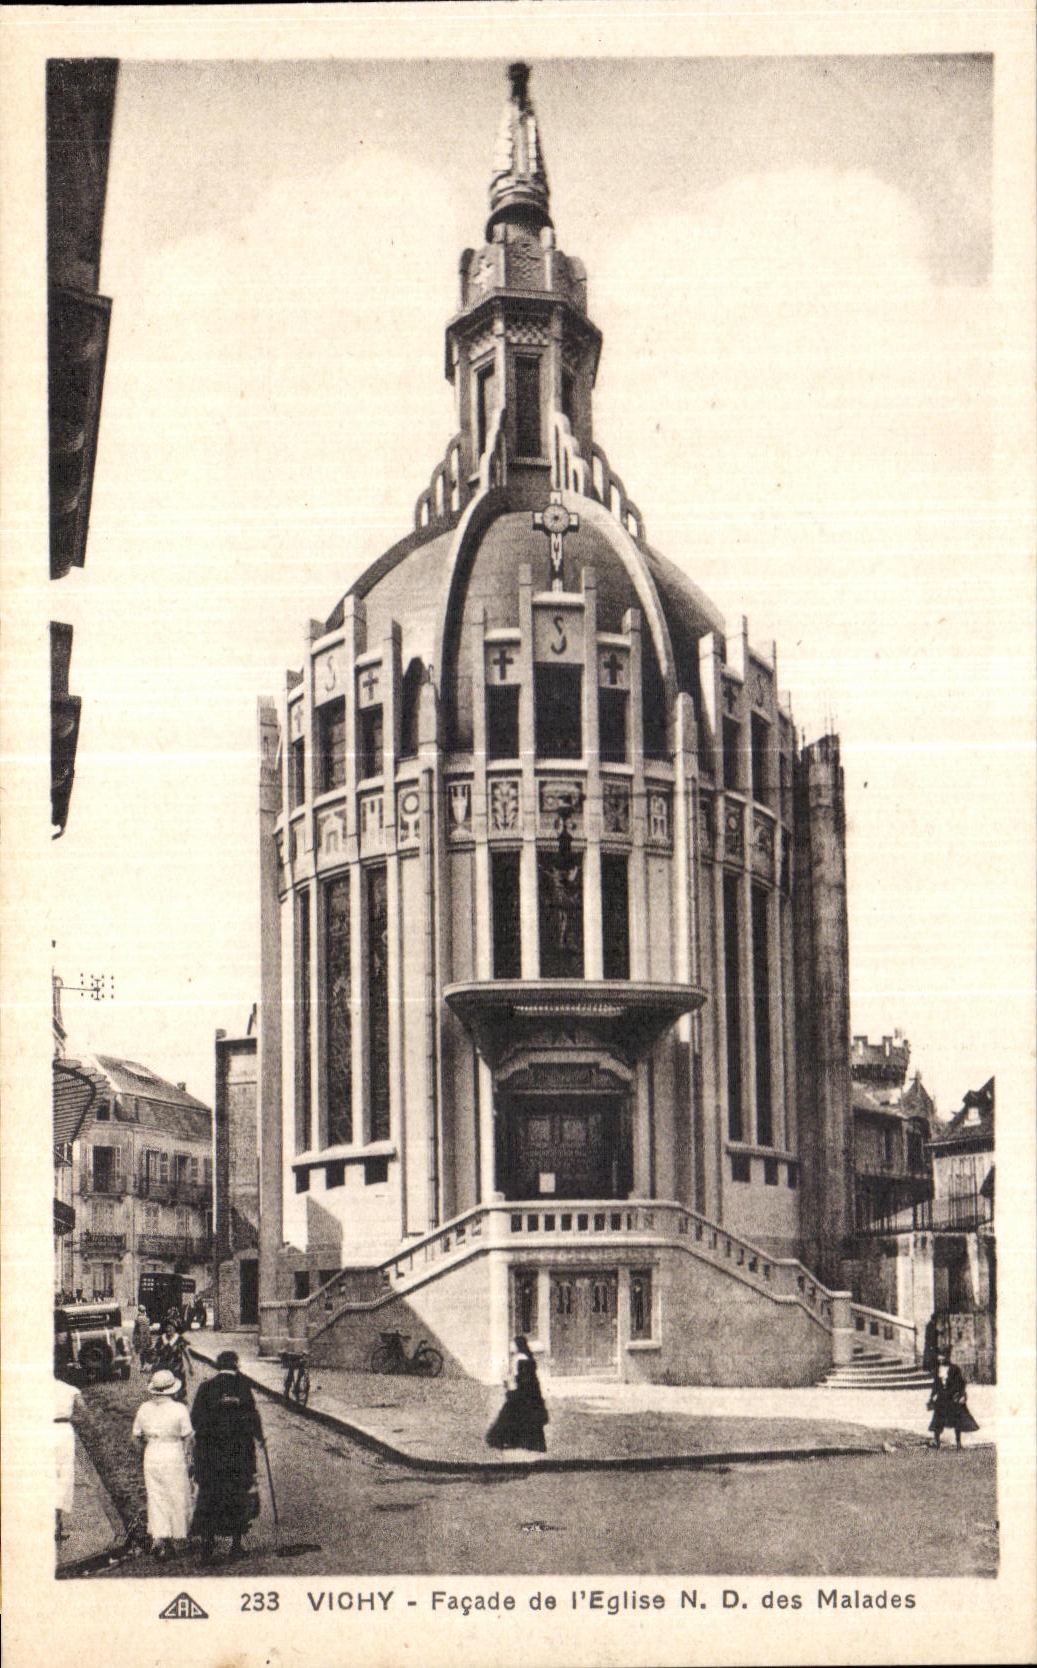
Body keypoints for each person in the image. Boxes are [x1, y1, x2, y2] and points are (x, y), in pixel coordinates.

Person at [190, 1350, 265, 1564]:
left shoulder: (206, 1388)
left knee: (209, 1497)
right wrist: (261, 1438)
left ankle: (207, 1546)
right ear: (235, 1365)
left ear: (217, 1365)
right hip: (238, 1456)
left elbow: (195, 1420)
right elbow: (253, 1417)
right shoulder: (242, 1388)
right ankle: (235, 1545)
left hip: (210, 1456)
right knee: (237, 1496)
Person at [131, 1369, 194, 1559]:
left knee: (156, 1494)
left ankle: (160, 1538)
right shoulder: (179, 1409)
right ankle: (179, 1537)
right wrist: (188, 1456)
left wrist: (144, 1453)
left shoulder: (144, 1408)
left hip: (152, 1452)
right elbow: (188, 1436)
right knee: (176, 1493)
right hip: (173, 1451)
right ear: (172, 1390)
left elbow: (135, 1437)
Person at [485, 1336, 549, 1453]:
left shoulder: (519, 1359)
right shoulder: (528, 1357)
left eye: (514, 1344)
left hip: (521, 1392)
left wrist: (511, 1387)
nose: (512, 1346)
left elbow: (518, 1377)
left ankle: (505, 1440)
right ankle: (530, 1443)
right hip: (530, 1392)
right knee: (528, 1417)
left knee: (511, 1414)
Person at [927, 1349, 980, 1450]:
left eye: (943, 1357)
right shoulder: (937, 1369)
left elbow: (961, 1383)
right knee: (938, 1421)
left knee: (957, 1422)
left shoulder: (955, 1369)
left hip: (952, 1398)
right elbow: (935, 1385)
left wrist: (961, 1395)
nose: (941, 1359)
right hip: (941, 1399)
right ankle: (937, 1442)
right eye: (939, 1357)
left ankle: (958, 1443)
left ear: (947, 1357)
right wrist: (931, 1397)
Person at [54, 1373, 83, 1544]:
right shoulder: (69, 1389)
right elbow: (84, 1410)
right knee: (64, 1476)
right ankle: (58, 1525)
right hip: (64, 1430)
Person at [153, 1316, 193, 1399]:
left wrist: (190, 1366)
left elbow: (186, 1352)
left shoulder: (179, 1339)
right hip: (163, 1366)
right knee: (164, 1385)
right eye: (167, 1327)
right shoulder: (161, 1339)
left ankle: (179, 1400)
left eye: (171, 1327)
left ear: (175, 1328)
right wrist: (153, 1364)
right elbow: (155, 1352)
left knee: (178, 1385)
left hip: (177, 1367)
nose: (169, 1329)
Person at [132, 1306, 153, 1370]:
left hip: (140, 1338)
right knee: (146, 1352)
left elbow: (136, 1330)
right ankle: (146, 1365)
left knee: (142, 1353)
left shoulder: (137, 1319)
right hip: (146, 1338)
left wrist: (134, 1339)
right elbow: (148, 1330)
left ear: (139, 1311)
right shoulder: (147, 1319)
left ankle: (143, 1365)